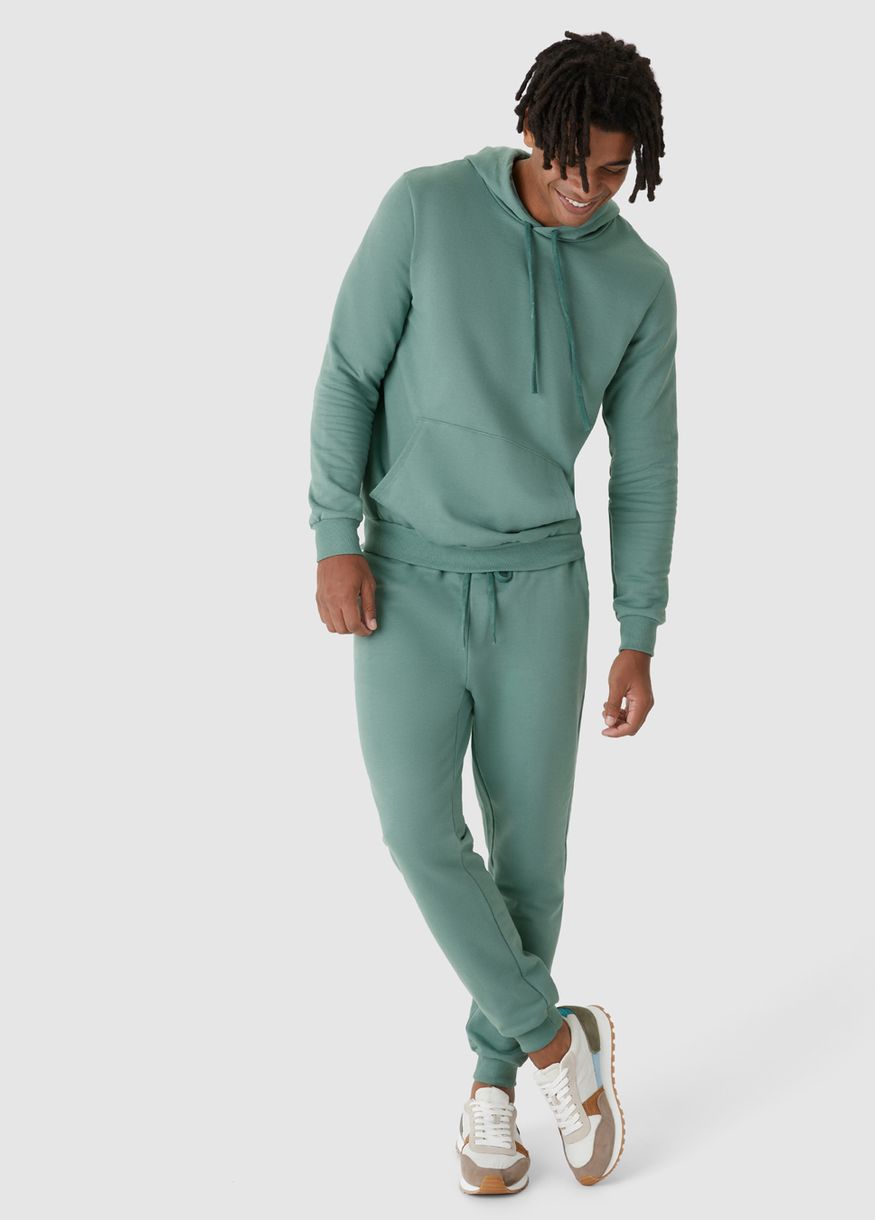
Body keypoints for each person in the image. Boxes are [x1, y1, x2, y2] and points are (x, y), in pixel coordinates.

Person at [308, 29, 678, 1194]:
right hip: (404, 576)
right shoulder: (423, 209)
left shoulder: (639, 281)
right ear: (532, 129)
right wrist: (332, 533)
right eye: (573, 163)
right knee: (417, 830)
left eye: (614, 171)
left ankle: (490, 1085)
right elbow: (348, 372)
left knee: (530, 859)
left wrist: (638, 630)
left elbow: (643, 470)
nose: (589, 190)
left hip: (542, 591)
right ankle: (559, 1041)